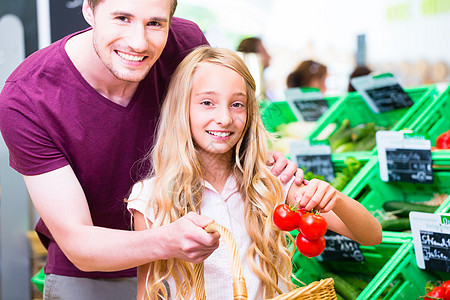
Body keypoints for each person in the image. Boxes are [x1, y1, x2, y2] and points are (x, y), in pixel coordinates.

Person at [0, 0, 302, 299]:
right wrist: (166, 240)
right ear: (89, 10)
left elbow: (222, 122)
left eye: (155, 23)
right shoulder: (27, 98)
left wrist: (258, 157)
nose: (138, 42)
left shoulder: (185, 44)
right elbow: (79, 243)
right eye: (121, 18)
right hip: (93, 276)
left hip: (185, 267)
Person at [127, 46, 382, 299]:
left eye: (237, 104)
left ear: (250, 113)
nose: (225, 118)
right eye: (207, 103)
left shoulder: (271, 181)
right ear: (181, 109)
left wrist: (334, 197)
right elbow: (147, 291)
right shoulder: (152, 197)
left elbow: (371, 235)